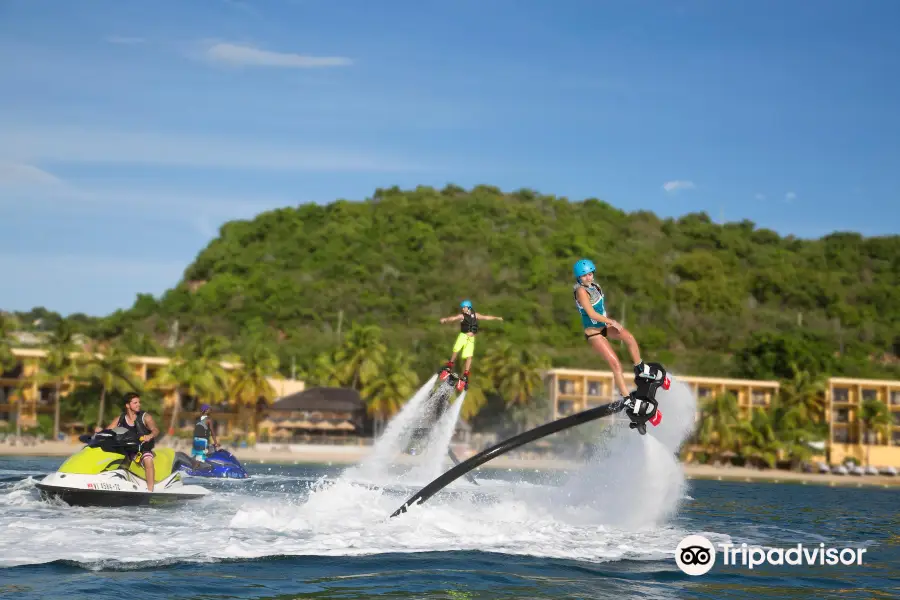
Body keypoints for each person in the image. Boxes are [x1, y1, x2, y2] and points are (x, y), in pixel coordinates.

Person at [572, 258, 662, 407]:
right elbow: (591, 313)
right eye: (584, 275)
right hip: (594, 333)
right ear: (579, 277)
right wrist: (611, 321)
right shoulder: (581, 291)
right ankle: (627, 399)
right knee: (616, 364)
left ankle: (640, 368)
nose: (588, 277)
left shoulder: (595, 286)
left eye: (590, 274)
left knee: (629, 337)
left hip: (605, 328)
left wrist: (608, 323)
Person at [100, 391, 160, 492]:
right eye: (135, 403)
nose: (138, 405)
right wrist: (99, 433)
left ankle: (150, 490)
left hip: (142, 450)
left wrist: (149, 435)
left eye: (139, 402)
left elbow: (156, 430)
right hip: (126, 450)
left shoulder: (145, 417)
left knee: (148, 460)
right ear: (128, 405)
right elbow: (108, 430)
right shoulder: (121, 418)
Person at [437, 299, 503, 390]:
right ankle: (449, 366)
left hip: (471, 339)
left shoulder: (475, 315)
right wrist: (445, 320)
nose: (463, 309)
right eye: (462, 307)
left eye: (464, 307)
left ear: (469, 307)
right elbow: (453, 318)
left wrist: (496, 318)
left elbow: (486, 317)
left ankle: (465, 374)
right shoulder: (462, 316)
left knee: (469, 356)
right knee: (456, 350)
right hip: (463, 336)